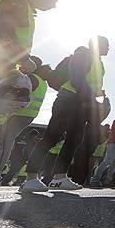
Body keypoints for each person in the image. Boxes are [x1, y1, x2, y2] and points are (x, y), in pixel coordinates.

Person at [20, 36, 109, 192]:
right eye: (106, 45)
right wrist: (92, 99)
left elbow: (86, 81)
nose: (108, 48)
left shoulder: (98, 63)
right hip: (68, 100)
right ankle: (31, 178)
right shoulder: (83, 54)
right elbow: (76, 78)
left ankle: (60, 178)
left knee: (73, 140)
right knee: (52, 137)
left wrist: (96, 94)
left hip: (81, 103)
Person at [0, 56, 49, 188]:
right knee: (1, 142)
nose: (21, 67)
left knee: (2, 143)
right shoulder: (42, 82)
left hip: (15, 115)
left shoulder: (29, 78)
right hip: (27, 117)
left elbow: (17, 95)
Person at [0, 0, 59, 88]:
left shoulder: (16, 3)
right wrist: (24, 59)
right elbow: (2, 31)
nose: (54, 6)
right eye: (53, 0)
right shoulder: (18, 3)